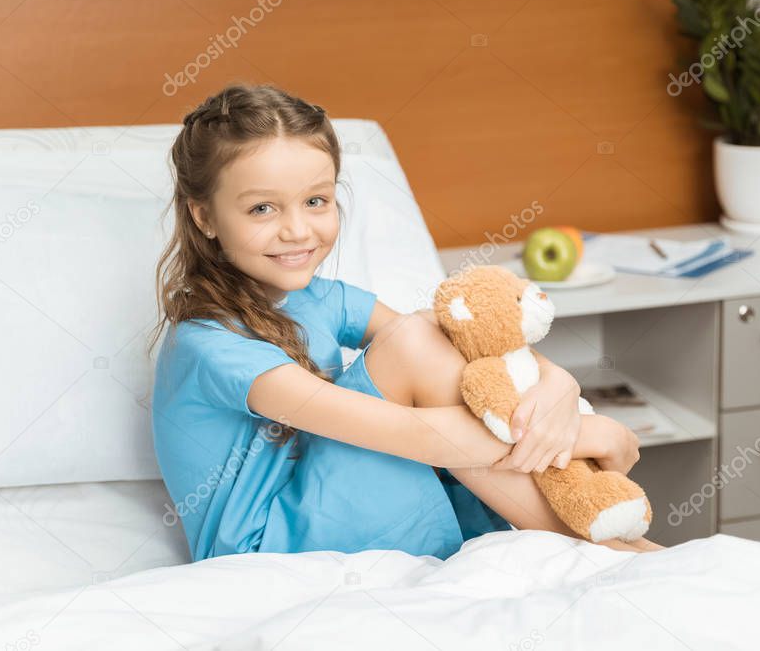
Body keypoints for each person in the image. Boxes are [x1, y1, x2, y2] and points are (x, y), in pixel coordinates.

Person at [148, 82, 663, 562]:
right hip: (270, 550)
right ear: (204, 217)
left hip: (328, 504)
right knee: (415, 340)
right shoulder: (209, 343)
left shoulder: (319, 298)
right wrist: (586, 435)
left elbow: (473, 349)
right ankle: (608, 553)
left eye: (315, 201)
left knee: (432, 328)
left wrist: (560, 386)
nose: (298, 229)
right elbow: (417, 434)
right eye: (262, 208)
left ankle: (605, 542)